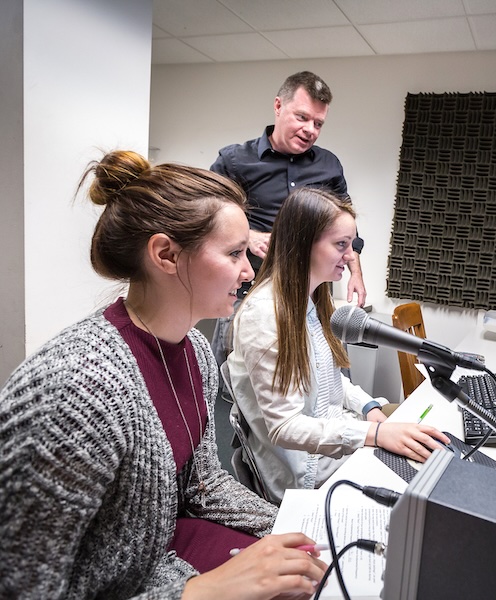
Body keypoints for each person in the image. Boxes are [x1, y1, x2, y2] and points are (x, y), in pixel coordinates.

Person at [0, 150, 327, 599]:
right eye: (234, 254)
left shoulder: (193, 349)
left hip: (157, 562)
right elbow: (24, 588)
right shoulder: (77, 389)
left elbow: (203, 483)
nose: (249, 271)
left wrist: (297, 528)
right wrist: (197, 593)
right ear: (166, 254)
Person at [226, 187, 449, 503]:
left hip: (339, 441)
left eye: (353, 245)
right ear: (302, 245)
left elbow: (328, 383)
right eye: (341, 245)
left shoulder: (313, 300)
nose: (350, 256)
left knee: (434, 459)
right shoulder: (266, 316)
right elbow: (285, 428)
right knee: (423, 495)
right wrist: (372, 435)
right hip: (310, 473)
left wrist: (368, 407)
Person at [209, 71, 366, 365]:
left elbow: (347, 228)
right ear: (278, 106)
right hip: (248, 289)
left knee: (323, 371)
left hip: (312, 296)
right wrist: (250, 236)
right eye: (302, 117)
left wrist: (355, 273)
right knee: (235, 380)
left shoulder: (329, 165)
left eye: (318, 123)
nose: (310, 129)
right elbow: (207, 214)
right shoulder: (234, 160)